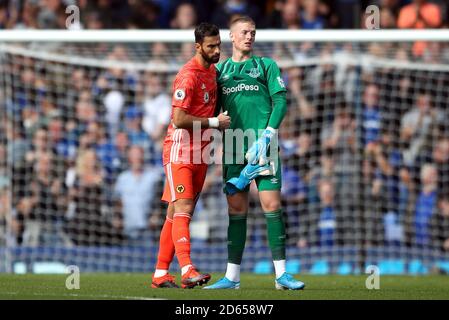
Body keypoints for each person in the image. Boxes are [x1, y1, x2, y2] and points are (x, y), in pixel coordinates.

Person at [204, 16, 305, 290]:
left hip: (264, 144)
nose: (250, 36)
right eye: (245, 32)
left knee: (272, 206)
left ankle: (282, 275)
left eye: (253, 32)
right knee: (236, 210)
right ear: (232, 37)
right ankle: (232, 277)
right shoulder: (220, 71)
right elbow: (212, 109)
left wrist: (269, 135)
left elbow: (280, 101)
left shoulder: (266, 65)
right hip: (235, 144)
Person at [151, 22, 230, 289]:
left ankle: (160, 273)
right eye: (211, 46)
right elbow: (179, 118)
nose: (217, 49)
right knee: (183, 208)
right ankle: (187, 269)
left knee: (176, 213)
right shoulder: (188, 76)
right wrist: (214, 123)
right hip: (180, 152)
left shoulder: (212, 73)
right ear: (198, 47)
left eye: (219, 44)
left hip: (201, 152)